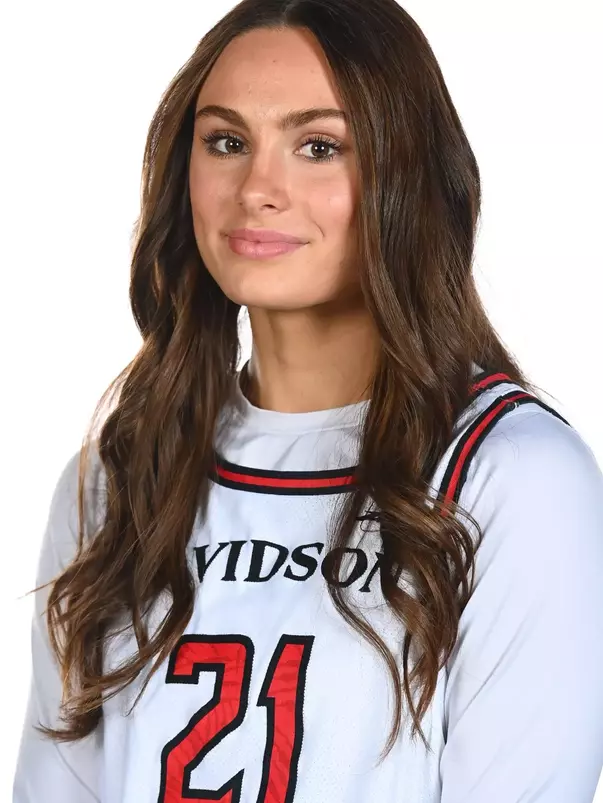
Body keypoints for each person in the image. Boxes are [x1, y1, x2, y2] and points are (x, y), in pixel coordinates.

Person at [12, 1, 603, 801]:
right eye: (226, 142)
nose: (257, 189)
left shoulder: (511, 477)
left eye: (318, 147)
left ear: (405, 175)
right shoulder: (115, 481)